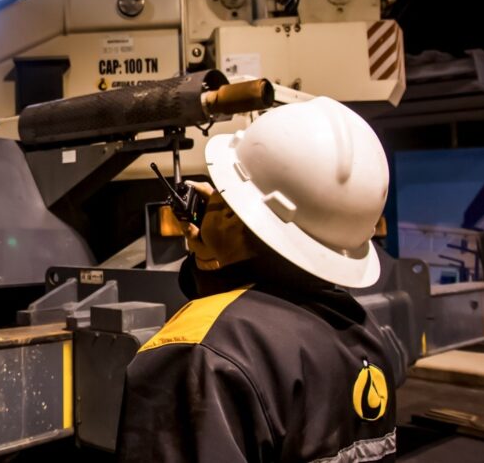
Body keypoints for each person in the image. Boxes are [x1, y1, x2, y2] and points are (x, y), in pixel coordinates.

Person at [118, 96, 399, 462]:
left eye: (222, 195)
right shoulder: (361, 332)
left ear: (241, 216)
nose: (213, 202)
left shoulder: (198, 353)